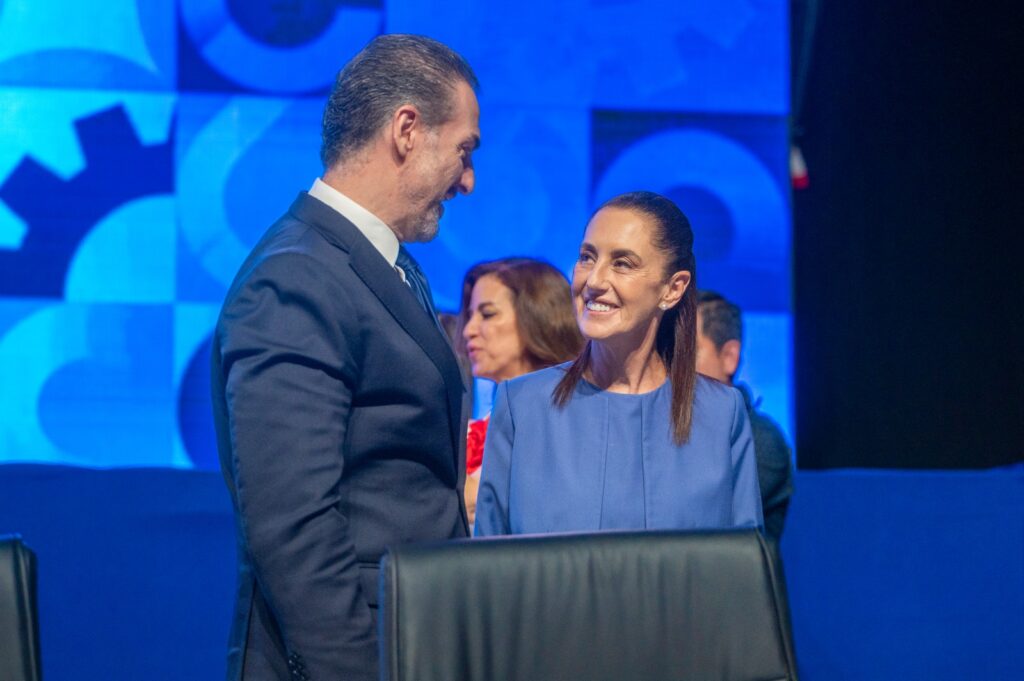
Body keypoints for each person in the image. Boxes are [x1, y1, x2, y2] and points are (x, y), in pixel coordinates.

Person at [211, 35, 480, 680]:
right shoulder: (298, 278)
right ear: (407, 130)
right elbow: (294, 527)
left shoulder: (379, 264)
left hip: (413, 639)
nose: (468, 180)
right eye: (464, 150)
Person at [474, 192, 763, 536]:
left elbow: (743, 560)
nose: (594, 281)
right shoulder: (522, 405)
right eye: (587, 257)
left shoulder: (721, 414)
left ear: (673, 289)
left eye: (622, 263)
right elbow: (491, 558)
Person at [457, 258, 583, 525]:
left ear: (538, 316)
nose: (468, 330)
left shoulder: (577, 419)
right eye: (470, 315)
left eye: (487, 314)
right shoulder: (474, 429)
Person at [695, 289, 794, 542]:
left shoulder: (760, 440)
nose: (672, 365)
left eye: (688, 352)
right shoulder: (659, 428)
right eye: (666, 351)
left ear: (729, 357)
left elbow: (702, 519)